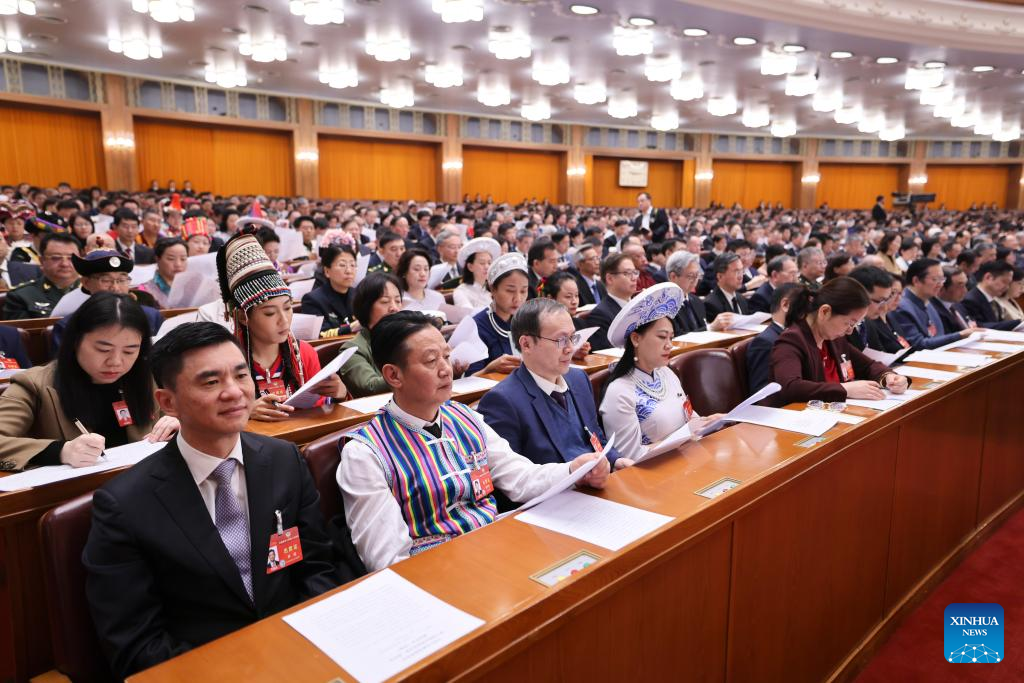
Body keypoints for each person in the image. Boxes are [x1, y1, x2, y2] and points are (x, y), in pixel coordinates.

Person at [83, 322, 341, 679]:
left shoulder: (284, 460)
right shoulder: (124, 505)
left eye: (241, 375)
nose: (234, 392)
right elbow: (136, 643)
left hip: (298, 652)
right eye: (210, 382)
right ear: (168, 402)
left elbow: (317, 567)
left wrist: (306, 647)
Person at [338, 310, 609, 571]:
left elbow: (520, 478)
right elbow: (389, 561)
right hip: (441, 574)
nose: (446, 370)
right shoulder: (366, 453)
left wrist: (574, 470)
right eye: (431, 361)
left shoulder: (465, 417)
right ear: (393, 375)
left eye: (447, 356)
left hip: (498, 551)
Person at [0, 293, 178, 471]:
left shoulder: (149, 377)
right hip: (76, 487)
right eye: (103, 349)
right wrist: (61, 451)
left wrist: (181, 425)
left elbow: (183, 418)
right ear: (75, 341)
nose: (116, 362)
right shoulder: (34, 385)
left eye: (129, 351)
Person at [215, 230, 346, 421]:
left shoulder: (303, 354)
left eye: (287, 308)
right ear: (243, 317)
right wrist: (244, 412)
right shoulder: (223, 362)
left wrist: (339, 394)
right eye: (269, 313)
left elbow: (320, 413)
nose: (284, 320)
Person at [478, 298, 621, 470]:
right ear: (526, 344)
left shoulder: (579, 379)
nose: (570, 348)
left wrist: (616, 461)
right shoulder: (502, 401)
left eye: (573, 338)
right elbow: (510, 477)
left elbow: (596, 437)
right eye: (561, 340)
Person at [600, 283, 722, 461]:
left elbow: (689, 420)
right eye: (662, 337)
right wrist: (683, 438)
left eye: (671, 337)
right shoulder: (619, 392)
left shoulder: (666, 373)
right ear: (636, 339)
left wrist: (710, 422)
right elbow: (629, 458)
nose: (669, 345)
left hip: (687, 459)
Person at [770, 277, 910, 406]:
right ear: (825, 312)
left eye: (855, 325)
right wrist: (845, 389)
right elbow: (790, 387)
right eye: (849, 323)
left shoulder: (835, 339)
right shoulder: (792, 340)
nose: (850, 331)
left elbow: (868, 366)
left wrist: (890, 378)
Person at [51, 251, 163, 351]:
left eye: (121, 280)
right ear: (86, 283)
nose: (115, 288)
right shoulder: (68, 326)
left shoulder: (151, 317)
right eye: (106, 280)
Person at [339, 272, 403, 398]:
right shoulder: (352, 349)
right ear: (366, 307)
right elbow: (369, 387)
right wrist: (413, 374)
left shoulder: (409, 339)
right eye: (385, 301)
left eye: (398, 301)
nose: (394, 308)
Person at [889, 258, 978, 349]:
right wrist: (960, 335)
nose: (940, 284)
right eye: (935, 279)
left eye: (942, 279)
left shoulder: (928, 301)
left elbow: (939, 335)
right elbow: (918, 345)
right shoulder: (900, 306)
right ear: (916, 280)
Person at [464, 253, 529, 376]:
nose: (518, 299)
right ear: (493, 288)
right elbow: (467, 380)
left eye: (523, 291)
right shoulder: (476, 327)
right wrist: (490, 369)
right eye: (510, 290)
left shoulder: (526, 321)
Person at [3, 232, 80, 319]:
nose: (65, 264)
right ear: (42, 261)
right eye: (56, 258)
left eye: (71, 258)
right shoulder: (21, 296)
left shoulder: (91, 291)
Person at [746, 283, 802, 394]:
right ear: (785, 305)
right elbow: (762, 393)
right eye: (803, 306)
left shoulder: (795, 336)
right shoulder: (765, 342)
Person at [300, 238, 358, 338]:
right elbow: (320, 334)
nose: (349, 271)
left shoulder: (359, 295)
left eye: (353, 265)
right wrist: (352, 327)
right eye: (342, 265)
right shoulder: (312, 300)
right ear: (327, 271)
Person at [585, 253, 638, 350]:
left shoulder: (639, 306)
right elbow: (607, 353)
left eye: (635, 272)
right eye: (627, 273)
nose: (634, 278)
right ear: (610, 278)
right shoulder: (600, 315)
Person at [846, 266, 897, 351]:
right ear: (859, 295)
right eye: (879, 301)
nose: (884, 307)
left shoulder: (868, 322)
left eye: (886, 300)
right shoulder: (839, 326)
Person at [960, 260, 1022, 329]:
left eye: (1009, 283)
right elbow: (979, 327)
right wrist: (1018, 322)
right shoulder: (971, 300)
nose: (1007, 287)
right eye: (1004, 282)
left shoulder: (994, 301)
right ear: (988, 277)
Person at [136, 237, 188, 308]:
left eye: (183, 259)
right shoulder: (145, 290)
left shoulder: (193, 287)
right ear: (157, 259)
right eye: (171, 259)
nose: (178, 264)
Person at [452, 237, 500, 309]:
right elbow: (469, 314)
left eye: (489, 263)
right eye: (482, 263)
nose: (487, 267)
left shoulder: (495, 289)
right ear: (470, 267)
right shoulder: (461, 291)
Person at [704, 252, 751, 324]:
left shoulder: (741, 299)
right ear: (720, 276)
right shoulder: (711, 304)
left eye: (741, 271)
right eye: (736, 272)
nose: (740, 276)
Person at [398, 248, 446, 313]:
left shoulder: (438, 297)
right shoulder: (398, 300)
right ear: (404, 272)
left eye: (426, 269)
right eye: (417, 269)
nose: (423, 274)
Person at [932, 266, 977, 334]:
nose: (965, 290)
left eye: (965, 285)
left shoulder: (957, 303)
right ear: (941, 288)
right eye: (960, 286)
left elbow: (971, 322)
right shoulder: (932, 311)